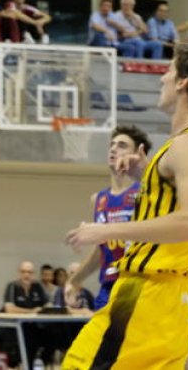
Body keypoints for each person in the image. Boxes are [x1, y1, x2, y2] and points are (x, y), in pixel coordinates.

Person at [63, 43, 188, 369]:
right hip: (169, 298)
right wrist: (149, 177)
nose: (162, 79)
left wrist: (105, 230)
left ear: (183, 82)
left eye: (169, 71)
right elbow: (182, 206)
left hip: (149, 296)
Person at [64, 126, 149, 311]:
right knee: (99, 339)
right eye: (112, 144)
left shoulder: (146, 191)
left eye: (122, 145)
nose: (113, 149)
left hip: (138, 285)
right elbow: (100, 251)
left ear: (137, 154)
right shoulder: (99, 199)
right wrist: (75, 280)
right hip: (108, 286)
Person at [0, 261, 49, 367]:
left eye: (29, 272)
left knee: (52, 337)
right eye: (24, 272)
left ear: (33, 274)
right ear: (19, 273)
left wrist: (43, 309)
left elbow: (47, 305)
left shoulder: (37, 286)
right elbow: (9, 309)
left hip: (34, 327)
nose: (26, 275)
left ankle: (39, 363)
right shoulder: (12, 286)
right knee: (26, 341)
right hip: (15, 328)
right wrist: (31, 311)